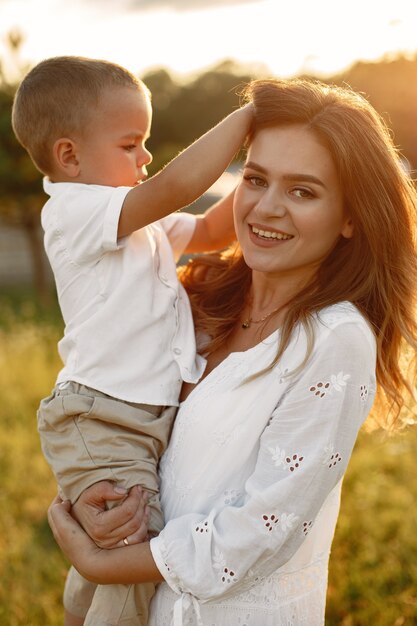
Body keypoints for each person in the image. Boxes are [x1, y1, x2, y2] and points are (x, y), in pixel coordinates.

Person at [48, 77, 417, 626]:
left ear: (350, 218)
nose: (268, 209)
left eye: (302, 191)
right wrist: (84, 504)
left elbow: (258, 533)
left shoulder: (334, 339)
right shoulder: (197, 299)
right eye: (256, 179)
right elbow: (113, 411)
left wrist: (103, 563)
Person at [12, 55, 253, 626]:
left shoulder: (133, 220)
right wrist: (249, 117)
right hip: (103, 416)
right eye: (131, 144)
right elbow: (179, 185)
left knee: (111, 554)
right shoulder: (75, 210)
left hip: (132, 417)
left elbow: (211, 230)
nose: (146, 157)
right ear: (69, 155)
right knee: (130, 558)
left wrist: (261, 169)